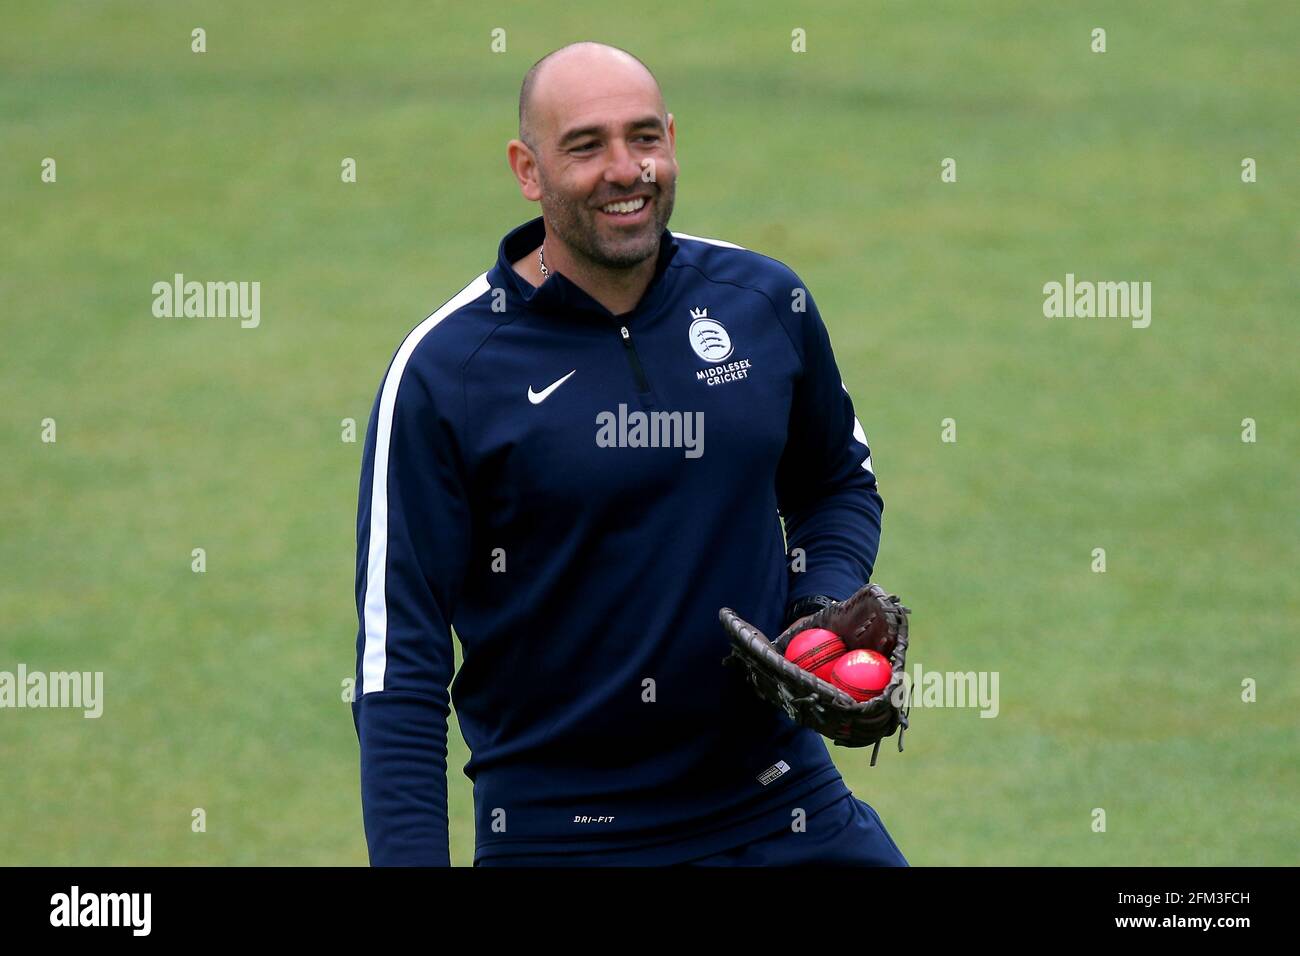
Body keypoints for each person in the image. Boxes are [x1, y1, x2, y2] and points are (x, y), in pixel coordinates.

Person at [352, 40, 907, 866]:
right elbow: (400, 663)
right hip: (564, 837)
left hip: (782, 806)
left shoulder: (763, 303)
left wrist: (812, 614)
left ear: (672, 142)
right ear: (527, 169)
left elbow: (836, 485)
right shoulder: (447, 373)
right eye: (586, 146)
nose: (626, 169)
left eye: (644, 138)